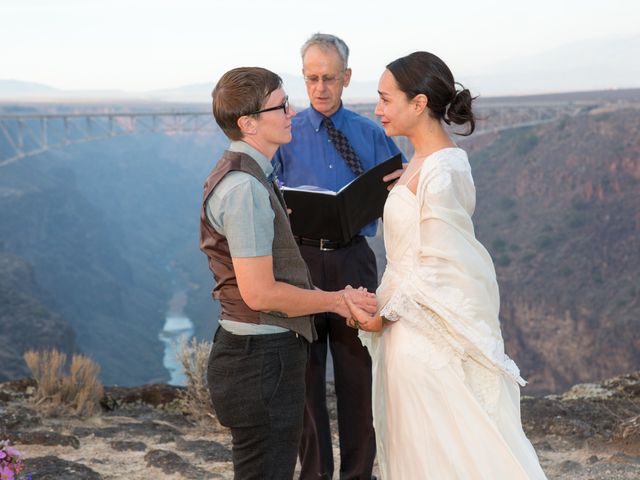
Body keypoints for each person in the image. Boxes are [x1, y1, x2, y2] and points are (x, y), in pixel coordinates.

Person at [343, 52, 548, 479]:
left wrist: (385, 314)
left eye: (385, 99)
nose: (377, 109)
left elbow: (446, 267)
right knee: (417, 445)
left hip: (422, 337)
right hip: (406, 329)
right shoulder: (421, 163)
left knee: (440, 449)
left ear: (418, 104)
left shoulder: (442, 171)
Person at [199, 66, 377, 480]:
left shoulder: (248, 175)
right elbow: (260, 295)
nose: (292, 112)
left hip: (260, 357)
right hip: (260, 362)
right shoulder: (244, 189)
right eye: (281, 105)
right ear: (249, 123)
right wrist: (336, 300)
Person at [273, 33, 403, 480]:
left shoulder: (373, 135)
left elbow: (400, 198)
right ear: (303, 77)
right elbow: (269, 198)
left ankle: (358, 476)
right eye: (312, 78)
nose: (320, 88)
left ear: (346, 77)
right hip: (301, 265)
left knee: (357, 378)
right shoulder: (284, 135)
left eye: (330, 78)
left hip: (354, 260)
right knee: (305, 381)